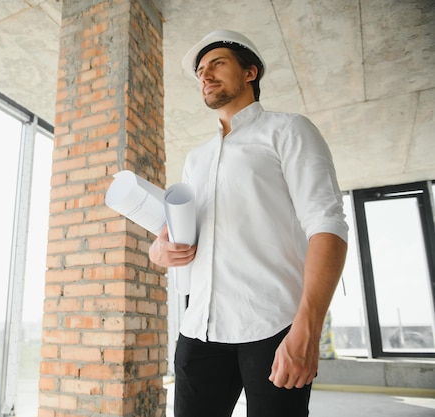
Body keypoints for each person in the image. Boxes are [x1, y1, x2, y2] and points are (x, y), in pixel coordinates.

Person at [149, 30, 348, 417]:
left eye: (217, 64)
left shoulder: (288, 130)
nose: (205, 75)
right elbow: (185, 228)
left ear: (250, 72)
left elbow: (328, 225)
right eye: (200, 71)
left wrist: (307, 331)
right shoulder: (196, 158)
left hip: (274, 327)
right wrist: (160, 246)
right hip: (198, 331)